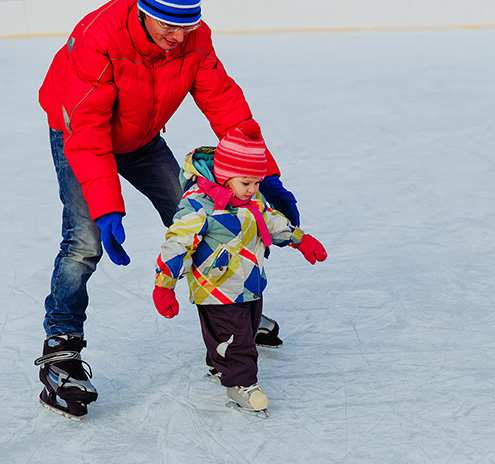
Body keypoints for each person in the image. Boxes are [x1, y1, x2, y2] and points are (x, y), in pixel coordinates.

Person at [34, 0, 299, 419]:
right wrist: (106, 211)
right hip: (78, 133)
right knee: (83, 244)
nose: (178, 37)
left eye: (187, 26)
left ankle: (225, 320)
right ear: (141, 11)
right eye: (167, 26)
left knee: (202, 220)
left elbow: (225, 103)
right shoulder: (99, 37)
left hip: (141, 137)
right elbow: (87, 131)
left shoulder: (193, 39)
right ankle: (60, 351)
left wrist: (264, 175)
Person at [152, 128, 327, 414]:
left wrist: (298, 239)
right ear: (224, 175)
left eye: (257, 182)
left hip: (249, 282)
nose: (253, 189)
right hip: (215, 287)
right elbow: (177, 244)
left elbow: (268, 220)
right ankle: (242, 383)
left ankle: (220, 360)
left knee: (242, 328)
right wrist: (165, 284)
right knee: (238, 338)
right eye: (246, 182)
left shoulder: (250, 199)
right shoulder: (198, 206)